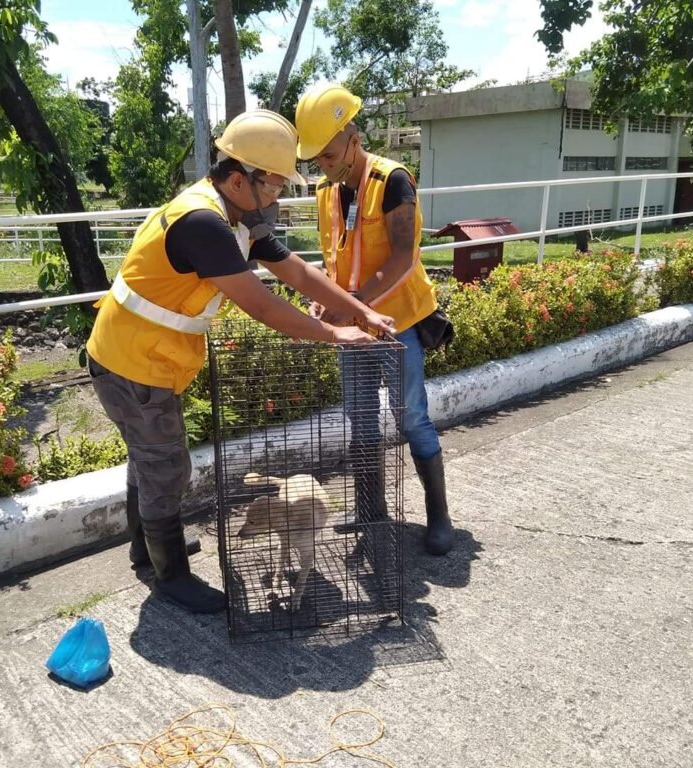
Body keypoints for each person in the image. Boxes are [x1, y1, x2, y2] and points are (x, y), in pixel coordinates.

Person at [86, 109, 395, 615]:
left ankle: (148, 548)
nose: (275, 198)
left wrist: (359, 310)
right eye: (272, 186)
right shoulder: (204, 223)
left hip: (139, 357)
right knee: (166, 467)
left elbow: (291, 269)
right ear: (238, 179)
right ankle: (171, 576)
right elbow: (263, 304)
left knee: (151, 457)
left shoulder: (233, 215)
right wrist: (335, 334)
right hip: (132, 363)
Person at [295, 83, 454, 557]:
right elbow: (335, 256)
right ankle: (371, 511)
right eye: (316, 159)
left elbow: (403, 257)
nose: (323, 164)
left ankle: (439, 516)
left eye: (328, 153)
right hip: (352, 327)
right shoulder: (328, 192)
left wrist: (354, 304)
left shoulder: (392, 181)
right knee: (360, 420)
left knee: (411, 419)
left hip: (396, 321)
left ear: (352, 135)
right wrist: (326, 299)